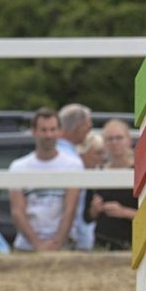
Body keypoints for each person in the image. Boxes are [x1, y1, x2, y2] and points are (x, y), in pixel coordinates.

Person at [8, 107, 83, 251]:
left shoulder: (73, 164)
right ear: (34, 131)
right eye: (43, 130)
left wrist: (58, 243)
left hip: (64, 244)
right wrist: (37, 244)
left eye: (52, 129)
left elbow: (70, 207)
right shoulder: (18, 167)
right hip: (27, 246)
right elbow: (17, 211)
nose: (48, 135)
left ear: (60, 131)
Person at [85, 119, 138, 251]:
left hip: (132, 243)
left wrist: (124, 212)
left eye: (119, 138)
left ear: (129, 140)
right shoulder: (96, 172)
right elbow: (86, 216)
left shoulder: (140, 171)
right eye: (109, 139)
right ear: (104, 143)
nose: (114, 142)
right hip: (102, 243)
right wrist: (94, 209)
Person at [59, 103, 97, 251]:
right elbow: (74, 206)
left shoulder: (60, 155)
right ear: (79, 126)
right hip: (68, 237)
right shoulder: (72, 161)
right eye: (88, 125)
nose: (90, 129)